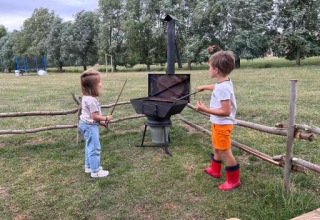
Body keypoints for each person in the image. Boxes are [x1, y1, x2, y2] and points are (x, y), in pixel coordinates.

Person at [195, 50, 240, 190]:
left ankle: (233, 180)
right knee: (216, 145)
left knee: (226, 150)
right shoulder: (225, 82)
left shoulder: (223, 88)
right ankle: (215, 170)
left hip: (222, 124)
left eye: (209, 67)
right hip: (217, 123)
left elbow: (226, 111)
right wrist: (204, 87)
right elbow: (216, 87)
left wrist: (204, 110)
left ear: (216, 70)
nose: (208, 70)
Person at [78, 69, 112, 178]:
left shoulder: (87, 97)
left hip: (84, 124)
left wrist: (101, 123)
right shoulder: (91, 100)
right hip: (89, 127)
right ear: (93, 86)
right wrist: (106, 118)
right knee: (94, 147)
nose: (101, 83)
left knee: (89, 146)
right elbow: (94, 116)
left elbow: (90, 116)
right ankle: (96, 171)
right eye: (100, 81)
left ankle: (89, 166)